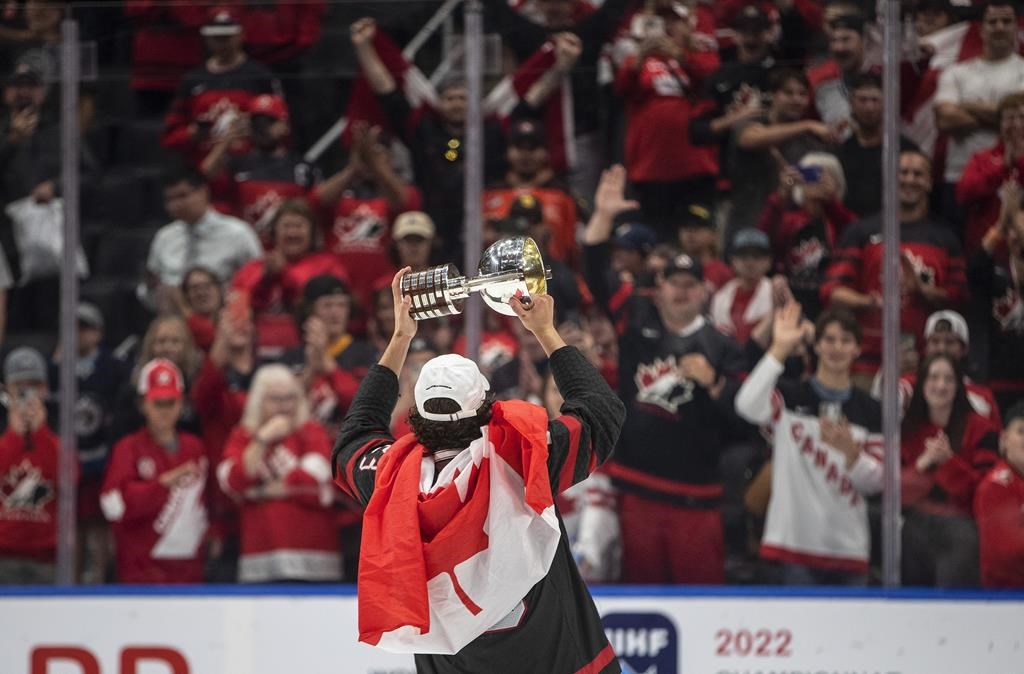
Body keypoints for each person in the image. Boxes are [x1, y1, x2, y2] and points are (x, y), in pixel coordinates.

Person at [333, 267, 624, 670]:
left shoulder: (390, 478)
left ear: (416, 413)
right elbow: (601, 413)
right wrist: (546, 331)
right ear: (486, 407)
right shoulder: (522, 459)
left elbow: (355, 435)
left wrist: (400, 338)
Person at [584, 169, 747, 583]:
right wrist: (602, 216)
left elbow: (746, 417)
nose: (681, 291)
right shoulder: (636, 317)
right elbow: (595, 270)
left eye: (690, 284)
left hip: (697, 497)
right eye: (674, 283)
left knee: (703, 601)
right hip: (637, 489)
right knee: (643, 594)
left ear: (704, 291)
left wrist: (715, 384)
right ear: (659, 286)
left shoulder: (723, 346)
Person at [736, 303, 883, 585]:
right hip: (793, 547)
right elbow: (746, 405)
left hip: (849, 551)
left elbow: (877, 483)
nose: (837, 347)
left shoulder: (872, 410)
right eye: (829, 339)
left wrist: (852, 455)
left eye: (845, 341)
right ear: (816, 345)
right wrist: (779, 349)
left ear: (857, 349)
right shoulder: (790, 397)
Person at [349, 18, 506, 257]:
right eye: (450, 98)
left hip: (480, 229)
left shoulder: (491, 134)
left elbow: (527, 99)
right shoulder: (423, 131)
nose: (457, 104)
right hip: (429, 230)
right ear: (439, 103)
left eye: (463, 98)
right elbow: (388, 93)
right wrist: (364, 47)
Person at [822, 150, 967, 387]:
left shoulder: (945, 238)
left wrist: (922, 290)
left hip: (927, 368)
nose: (909, 179)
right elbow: (832, 291)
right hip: (865, 364)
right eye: (903, 172)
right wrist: (870, 301)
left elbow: (958, 299)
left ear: (930, 182)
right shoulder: (861, 231)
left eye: (918, 174)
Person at [218, 364, 339, 583]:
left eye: (290, 398)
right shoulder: (243, 436)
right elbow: (233, 482)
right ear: (258, 401)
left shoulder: (311, 431)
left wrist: (262, 491)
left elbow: (320, 482)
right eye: (275, 399)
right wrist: (262, 440)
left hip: (314, 560)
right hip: (261, 560)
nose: (284, 406)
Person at [614, 1, 720, 236]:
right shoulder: (638, 60)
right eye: (662, 21)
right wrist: (640, 57)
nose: (667, 27)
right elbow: (621, 88)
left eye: (674, 21)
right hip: (652, 167)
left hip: (696, 163)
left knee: (699, 234)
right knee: (659, 235)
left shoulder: (700, 54)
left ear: (688, 25)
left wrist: (680, 55)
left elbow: (713, 80)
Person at [100, 359, 209, 583]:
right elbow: (113, 505)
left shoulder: (195, 448)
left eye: (171, 403)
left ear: (181, 403)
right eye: (158, 403)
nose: (165, 411)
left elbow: (207, 503)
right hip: (141, 575)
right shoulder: (128, 449)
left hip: (190, 575)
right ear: (143, 405)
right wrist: (162, 485)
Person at [901, 353, 1000, 587]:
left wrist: (949, 462)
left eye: (948, 379)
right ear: (922, 383)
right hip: (914, 527)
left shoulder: (982, 429)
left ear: (958, 386)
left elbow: (986, 492)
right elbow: (896, 495)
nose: (941, 385)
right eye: (933, 378)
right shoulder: (908, 430)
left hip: (963, 527)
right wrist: (922, 463)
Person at [311, 121, 420, 307]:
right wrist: (353, 168)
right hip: (339, 296)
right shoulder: (339, 199)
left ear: (390, 157)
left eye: (376, 153)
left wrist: (378, 167)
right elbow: (316, 201)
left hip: (384, 297)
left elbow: (408, 203)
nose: (369, 159)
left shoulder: (396, 197)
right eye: (365, 154)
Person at [935, 0, 1024, 226]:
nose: (1000, 27)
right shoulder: (956, 73)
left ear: (1016, 27)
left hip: (1016, 177)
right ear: (981, 29)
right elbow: (945, 119)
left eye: (1006, 21)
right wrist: (1006, 115)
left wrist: (966, 105)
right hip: (961, 177)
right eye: (993, 22)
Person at [161, 7, 281, 166]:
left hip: (251, 165)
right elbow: (170, 136)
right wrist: (193, 133)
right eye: (217, 38)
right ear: (207, 38)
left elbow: (280, 129)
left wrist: (255, 130)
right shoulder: (192, 80)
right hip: (202, 165)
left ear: (241, 35)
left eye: (227, 37)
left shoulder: (260, 76)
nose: (223, 43)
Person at [230, 199, 349, 358]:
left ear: (312, 232)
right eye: (286, 226)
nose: (292, 233)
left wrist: (282, 274)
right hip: (254, 352)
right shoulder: (251, 269)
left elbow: (320, 307)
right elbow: (237, 309)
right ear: (274, 232)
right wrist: (266, 279)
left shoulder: (328, 266)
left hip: (312, 352)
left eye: (299, 226)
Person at [729, 67, 837, 236]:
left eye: (802, 94)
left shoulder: (812, 144)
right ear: (773, 95)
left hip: (787, 231)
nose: (796, 99)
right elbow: (749, 139)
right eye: (788, 93)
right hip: (747, 222)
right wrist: (807, 125)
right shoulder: (751, 121)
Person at [140, 167, 262, 311]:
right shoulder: (164, 237)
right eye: (169, 199)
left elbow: (259, 283)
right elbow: (150, 299)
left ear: (204, 191)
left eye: (182, 196)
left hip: (224, 317)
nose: (175, 205)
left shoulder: (238, 233)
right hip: (176, 319)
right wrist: (150, 288)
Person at [200, 94, 319, 238]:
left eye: (269, 122)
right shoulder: (237, 163)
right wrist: (227, 140)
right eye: (256, 123)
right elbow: (204, 176)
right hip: (246, 243)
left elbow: (316, 209)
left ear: (285, 125)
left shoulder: (302, 167)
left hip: (288, 242)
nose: (262, 129)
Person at [758, 152, 856, 319]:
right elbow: (762, 239)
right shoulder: (789, 219)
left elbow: (853, 231)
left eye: (823, 177)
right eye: (811, 175)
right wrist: (781, 195)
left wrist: (831, 202)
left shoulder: (839, 219)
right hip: (792, 300)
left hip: (830, 302)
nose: (816, 182)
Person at [690, 4, 776, 184]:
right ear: (734, 36)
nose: (751, 37)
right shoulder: (719, 77)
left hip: (777, 170)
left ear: (769, 33)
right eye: (745, 31)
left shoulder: (782, 73)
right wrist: (734, 119)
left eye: (757, 31)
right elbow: (697, 131)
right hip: (732, 175)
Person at [282, 275, 377, 437]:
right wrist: (311, 370)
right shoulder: (291, 357)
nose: (335, 312)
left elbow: (363, 406)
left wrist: (328, 365)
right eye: (327, 305)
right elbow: (284, 408)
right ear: (309, 311)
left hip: (350, 439)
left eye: (342, 305)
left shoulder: (367, 354)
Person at [0, 347, 64, 584]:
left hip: (47, 558)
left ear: (45, 389)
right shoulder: (4, 439)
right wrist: (14, 436)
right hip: (3, 556)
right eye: (20, 386)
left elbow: (68, 479)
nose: (27, 394)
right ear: (7, 390)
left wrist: (41, 433)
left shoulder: (55, 437)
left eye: (34, 385)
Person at [969, 184, 1024, 413]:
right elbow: (975, 268)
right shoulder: (994, 271)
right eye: (1014, 231)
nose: (1019, 237)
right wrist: (1001, 224)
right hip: (995, 383)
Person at [836, 73, 918, 218]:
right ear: (851, 104)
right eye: (863, 100)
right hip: (851, 225)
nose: (869, 107)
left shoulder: (906, 150)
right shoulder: (840, 152)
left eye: (875, 100)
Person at [957, 92, 1024, 259]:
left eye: (1022, 117)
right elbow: (964, 194)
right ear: (1000, 124)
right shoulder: (982, 159)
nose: (1017, 124)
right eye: (1010, 118)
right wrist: (1003, 167)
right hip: (987, 251)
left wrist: (1020, 162)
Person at [974, 401, 1024, 588]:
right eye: (1021, 431)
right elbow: (1006, 551)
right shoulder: (994, 487)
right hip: (1006, 595)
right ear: (1004, 440)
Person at [711, 228, 775, 345]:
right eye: (743, 256)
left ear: (768, 261)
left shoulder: (776, 293)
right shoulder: (720, 296)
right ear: (733, 260)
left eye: (757, 256)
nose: (750, 262)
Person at [179, 266, 224, 353]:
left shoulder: (236, 322)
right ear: (186, 295)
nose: (201, 292)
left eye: (207, 286)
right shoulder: (182, 330)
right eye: (195, 288)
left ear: (219, 289)